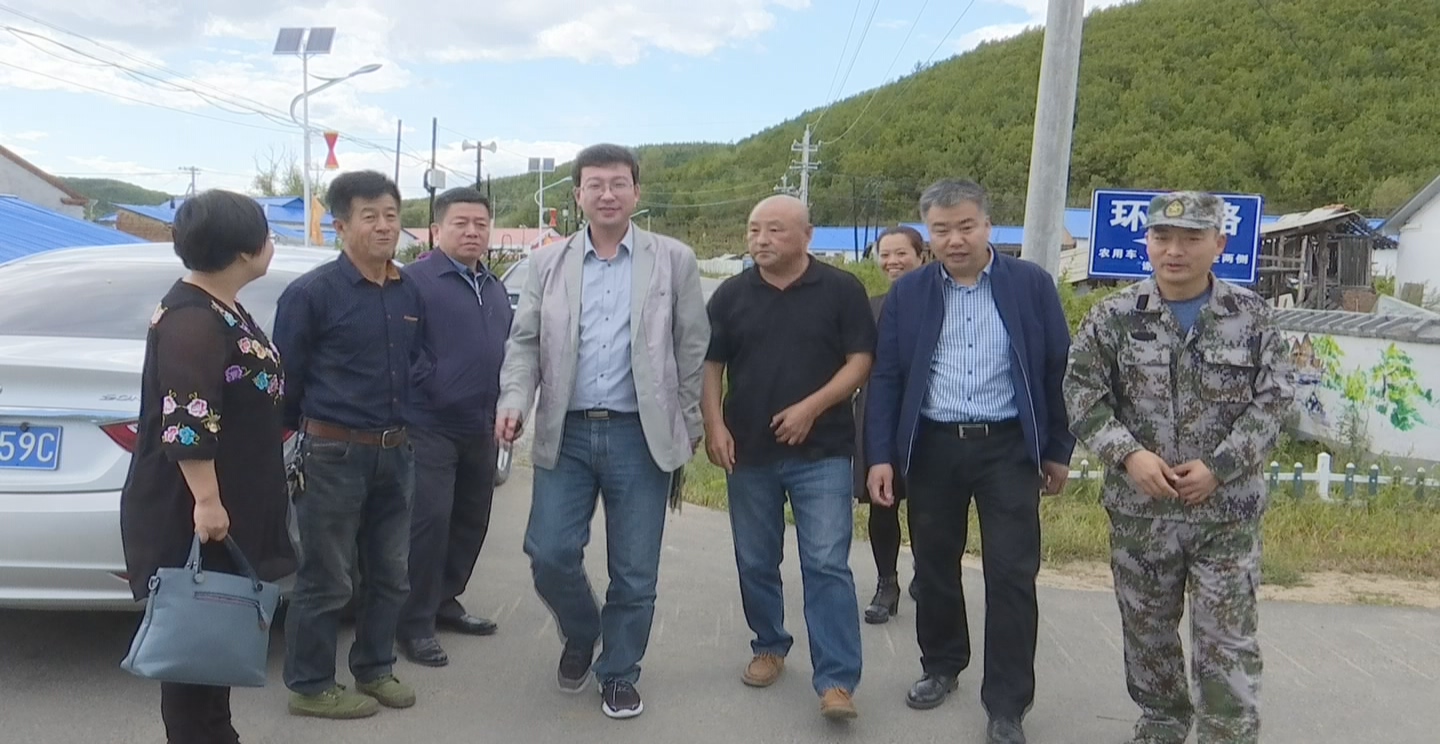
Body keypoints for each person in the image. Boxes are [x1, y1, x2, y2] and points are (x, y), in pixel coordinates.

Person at [1063, 191, 1293, 744]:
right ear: (1147, 242)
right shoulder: (1113, 316)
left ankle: (1227, 733)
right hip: (1142, 512)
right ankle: (1163, 722)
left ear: (1219, 244)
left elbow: (1275, 401)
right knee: (1147, 632)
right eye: (1162, 237)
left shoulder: (1252, 316)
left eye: (1191, 238)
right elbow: (1080, 393)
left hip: (1225, 514)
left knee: (1226, 639)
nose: (1174, 250)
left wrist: (1220, 466)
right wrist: (1129, 454)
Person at [496, 143, 709, 720]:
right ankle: (584, 628)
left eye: (619, 183)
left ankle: (619, 672)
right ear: (578, 195)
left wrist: (688, 421)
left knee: (635, 571)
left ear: (636, 192)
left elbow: (691, 345)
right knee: (549, 552)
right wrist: (514, 400)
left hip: (640, 436)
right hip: (565, 432)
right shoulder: (548, 263)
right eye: (595, 184)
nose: (607, 194)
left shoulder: (674, 260)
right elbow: (524, 343)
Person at [864, 179, 1073, 744]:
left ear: (987, 226)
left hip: (1008, 447)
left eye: (965, 227)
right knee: (934, 566)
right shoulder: (910, 294)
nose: (954, 240)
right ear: (928, 234)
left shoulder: (1030, 284)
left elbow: (1058, 368)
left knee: (1012, 574)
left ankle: (1007, 704)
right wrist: (880, 456)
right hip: (933, 446)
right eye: (941, 230)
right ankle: (941, 664)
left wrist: (1057, 449)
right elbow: (886, 378)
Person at [119, 189, 296, 744]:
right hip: (196, 509)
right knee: (194, 643)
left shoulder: (221, 306)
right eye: (266, 234)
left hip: (230, 499)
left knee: (215, 638)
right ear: (243, 249)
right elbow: (187, 419)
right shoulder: (192, 318)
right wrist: (208, 502)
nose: (271, 244)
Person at [703, 194, 875, 721]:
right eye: (754, 229)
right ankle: (769, 644)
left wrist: (811, 407)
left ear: (807, 235)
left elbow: (860, 361)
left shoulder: (842, 289)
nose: (761, 239)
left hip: (822, 452)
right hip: (748, 450)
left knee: (825, 563)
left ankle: (837, 680)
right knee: (755, 558)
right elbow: (711, 366)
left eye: (775, 230)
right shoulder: (731, 295)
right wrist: (714, 425)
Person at [274, 170, 421, 719]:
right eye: (370, 216)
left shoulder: (408, 290)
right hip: (332, 454)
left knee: (390, 573)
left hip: (396, 451)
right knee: (327, 577)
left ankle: (375, 668)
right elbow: (286, 381)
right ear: (340, 226)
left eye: (391, 215)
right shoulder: (310, 294)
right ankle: (311, 685)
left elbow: (415, 361)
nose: (384, 226)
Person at [397, 187, 513, 667]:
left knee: (470, 519)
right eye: (461, 223)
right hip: (428, 425)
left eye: (480, 224)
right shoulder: (414, 282)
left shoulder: (494, 285)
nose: (472, 232)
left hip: (481, 424)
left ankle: (446, 600)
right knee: (428, 524)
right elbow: (399, 351)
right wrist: (432, 382)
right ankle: (414, 622)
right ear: (436, 229)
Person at [853, 226, 925, 624]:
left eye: (902, 253)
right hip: (879, 414)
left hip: (927, 416)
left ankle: (926, 574)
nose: (893, 261)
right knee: (883, 502)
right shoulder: (871, 306)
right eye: (885, 254)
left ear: (921, 256)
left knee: (928, 504)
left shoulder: (939, 301)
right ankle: (886, 583)